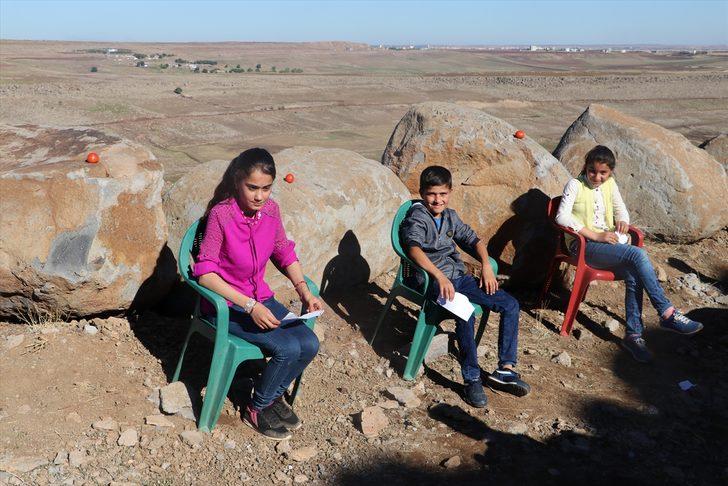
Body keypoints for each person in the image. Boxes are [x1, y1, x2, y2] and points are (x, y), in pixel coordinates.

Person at [194, 148, 322, 440]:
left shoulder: (271, 211)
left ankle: (270, 395)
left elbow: (282, 250)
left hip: (261, 299)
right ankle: (257, 406)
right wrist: (249, 306)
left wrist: (303, 291)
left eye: (266, 188)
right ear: (238, 181)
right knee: (287, 348)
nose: (259, 196)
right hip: (228, 306)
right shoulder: (221, 215)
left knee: (309, 343)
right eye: (252, 188)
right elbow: (205, 274)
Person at [555, 145, 703, 363]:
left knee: (634, 271)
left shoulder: (610, 185)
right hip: (583, 247)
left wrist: (623, 220)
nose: (597, 177)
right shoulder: (575, 185)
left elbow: (620, 209)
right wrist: (595, 235)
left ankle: (633, 335)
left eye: (603, 173)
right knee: (637, 256)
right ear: (586, 167)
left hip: (607, 247)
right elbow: (561, 217)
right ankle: (667, 313)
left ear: (610, 172)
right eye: (592, 171)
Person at [400, 165, 530, 408]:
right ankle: (471, 378)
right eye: (431, 194)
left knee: (510, 304)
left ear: (449, 192)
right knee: (465, 314)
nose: (437, 200)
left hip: (459, 278)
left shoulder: (450, 216)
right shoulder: (417, 217)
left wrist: (486, 265)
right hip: (432, 281)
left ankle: (505, 368)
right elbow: (413, 249)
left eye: (442, 194)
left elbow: (474, 240)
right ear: (421, 193)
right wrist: (439, 276)